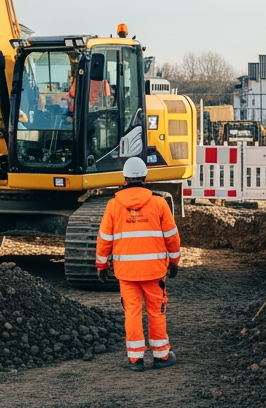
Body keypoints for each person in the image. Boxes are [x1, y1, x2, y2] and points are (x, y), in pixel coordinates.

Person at [95, 157, 181, 371]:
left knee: (132, 313)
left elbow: (104, 239)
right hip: (154, 272)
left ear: (124, 179)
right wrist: (175, 261)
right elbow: (172, 237)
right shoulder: (159, 203)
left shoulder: (114, 205)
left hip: (127, 273)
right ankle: (161, 356)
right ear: (145, 177)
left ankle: (136, 359)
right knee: (156, 312)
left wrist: (102, 265)